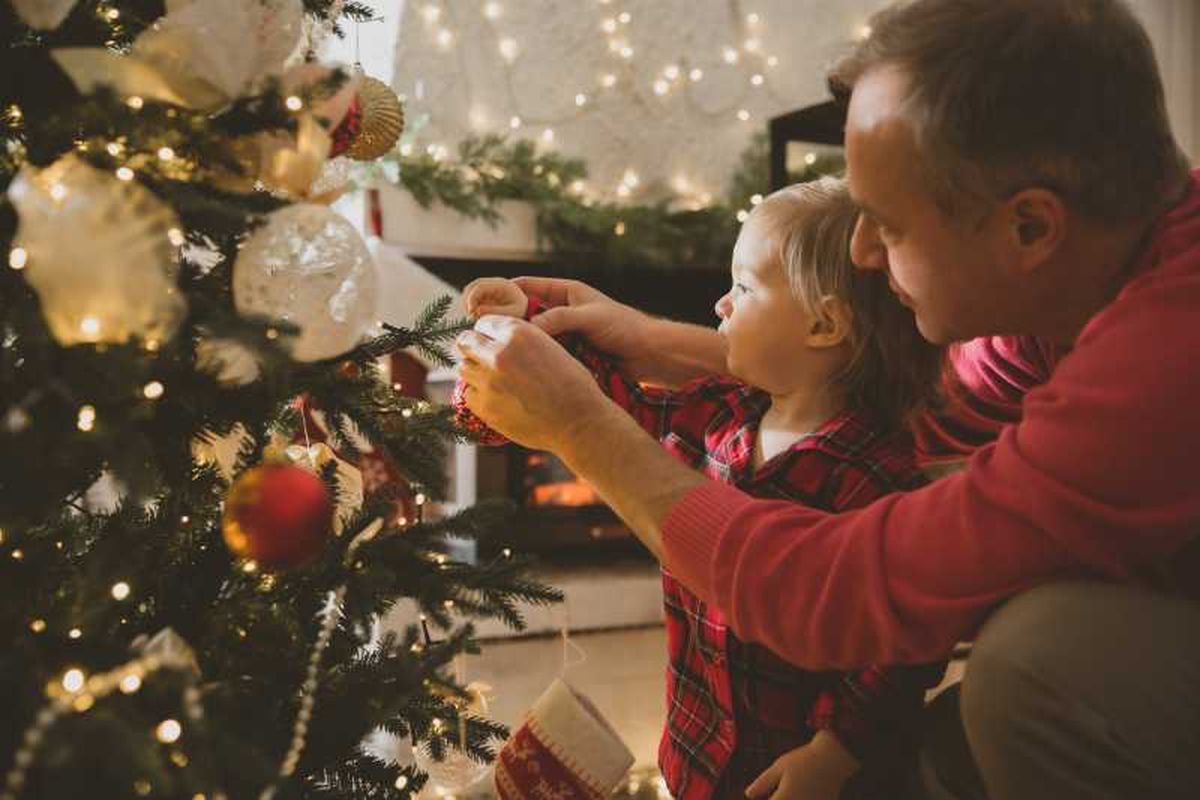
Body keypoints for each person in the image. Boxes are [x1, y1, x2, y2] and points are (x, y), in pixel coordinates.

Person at [454, 1, 1200, 798]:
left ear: (1028, 228)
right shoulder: (1071, 293)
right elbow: (917, 400)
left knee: (1039, 661)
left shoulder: (1167, 358)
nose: (860, 252)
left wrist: (578, 426)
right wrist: (655, 341)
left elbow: (852, 591)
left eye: (886, 223)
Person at [456, 178, 946, 800]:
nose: (720, 306)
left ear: (824, 323)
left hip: (806, 776)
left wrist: (837, 749)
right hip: (694, 754)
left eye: (743, 287)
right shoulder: (719, 412)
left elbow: (901, 648)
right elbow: (605, 404)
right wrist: (529, 326)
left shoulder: (876, 474)